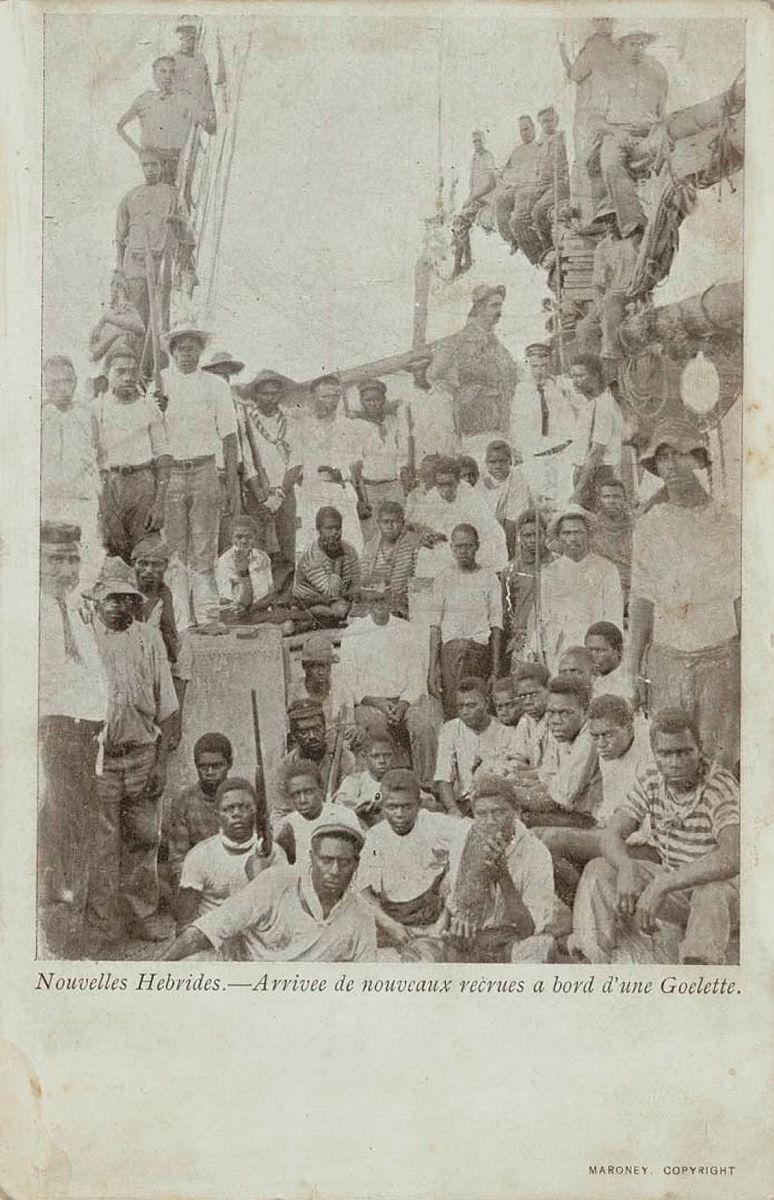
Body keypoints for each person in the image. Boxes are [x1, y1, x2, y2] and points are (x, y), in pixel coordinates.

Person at [572, 708, 740, 965]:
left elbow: (732, 856)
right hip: (675, 886)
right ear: (654, 753)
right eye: (665, 754)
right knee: (599, 869)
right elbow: (612, 834)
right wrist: (626, 866)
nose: (675, 762)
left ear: (700, 748)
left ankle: (700, 976)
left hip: (722, 896)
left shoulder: (719, 785)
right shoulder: (652, 778)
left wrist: (663, 884)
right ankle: (597, 960)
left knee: (711, 893)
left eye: (684, 752)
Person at [623, 419, 741, 770]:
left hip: (718, 658)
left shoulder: (727, 523)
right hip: (667, 659)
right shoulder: (649, 524)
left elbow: (741, 600)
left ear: (699, 459)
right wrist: (633, 670)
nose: (671, 464)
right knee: (671, 759)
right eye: (663, 457)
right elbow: (641, 600)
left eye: (680, 454)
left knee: (718, 763)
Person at [85, 557, 178, 952]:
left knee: (143, 839)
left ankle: (141, 916)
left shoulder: (149, 638)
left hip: (142, 752)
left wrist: (160, 761)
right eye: (110, 598)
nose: (118, 606)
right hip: (101, 756)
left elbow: (167, 707)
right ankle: (104, 925)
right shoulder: (86, 638)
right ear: (96, 602)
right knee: (102, 843)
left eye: (126, 598)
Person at [164, 819, 377, 962]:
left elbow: (365, 980)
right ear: (312, 858)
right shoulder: (276, 882)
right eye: (326, 860)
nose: (335, 870)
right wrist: (152, 971)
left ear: (356, 864)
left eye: (345, 862)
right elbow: (210, 928)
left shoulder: (362, 915)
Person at [38, 521, 107, 957]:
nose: (65, 568)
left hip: (84, 738)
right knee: (52, 834)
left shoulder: (76, 610)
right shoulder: (28, 610)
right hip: (51, 735)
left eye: (72, 558)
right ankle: (50, 941)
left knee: (78, 834)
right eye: (55, 559)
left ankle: (70, 932)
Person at [416, 774, 558, 963]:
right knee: (419, 953)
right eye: (482, 814)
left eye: (498, 812)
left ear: (516, 812)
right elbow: (457, 906)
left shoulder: (535, 852)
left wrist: (502, 877)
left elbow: (528, 929)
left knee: (539, 948)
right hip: (469, 940)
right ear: (474, 815)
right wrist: (451, 932)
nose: (490, 820)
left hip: (510, 942)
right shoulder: (464, 837)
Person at [157, 322, 240, 629]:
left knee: (204, 549)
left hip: (205, 470)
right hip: (171, 474)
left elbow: (230, 437)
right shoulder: (158, 385)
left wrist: (230, 485)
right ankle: (180, 621)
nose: (187, 354)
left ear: (200, 351)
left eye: (192, 348)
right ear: (172, 351)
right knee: (175, 552)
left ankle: (207, 617)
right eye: (181, 348)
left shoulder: (216, 385)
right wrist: (156, 408)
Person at [536, 694, 653, 907]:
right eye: (595, 736)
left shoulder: (649, 753)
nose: (600, 744)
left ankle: (580, 903)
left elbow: (647, 827)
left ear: (629, 727)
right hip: (612, 831)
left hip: (642, 843)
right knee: (535, 835)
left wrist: (610, 834)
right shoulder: (609, 749)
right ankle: (581, 900)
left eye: (607, 735)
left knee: (550, 841)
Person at [333, 587, 441, 787]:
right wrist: (378, 703)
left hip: (406, 701)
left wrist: (404, 703)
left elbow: (416, 675)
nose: (379, 605)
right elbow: (349, 681)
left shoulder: (407, 630)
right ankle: (379, 789)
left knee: (424, 727)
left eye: (383, 600)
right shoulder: (353, 634)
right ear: (367, 603)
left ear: (391, 601)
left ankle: (426, 786)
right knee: (374, 729)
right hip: (371, 703)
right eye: (374, 600)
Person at [358, 769, 462, 953]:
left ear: (419, 804)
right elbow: (363, 892)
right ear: (382, 806)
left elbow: (470, 836)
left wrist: (453, 873)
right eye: (392, 807)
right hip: (396, 919)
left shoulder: (434, 824)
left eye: (407, 806)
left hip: (436, 915)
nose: (399, 814)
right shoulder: (376, 836)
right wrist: (391, 926)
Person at [174, 778, 281, 943]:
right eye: (229, 808)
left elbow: (284, 912)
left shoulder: (274, 853)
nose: (237, 813)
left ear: (256, 811)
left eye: (245, 807)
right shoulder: (200, 856)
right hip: (216, 944)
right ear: (217, 816)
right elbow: (184, 923)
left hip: (261, 942)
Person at [586, 29, 669, 239]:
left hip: (651, 132)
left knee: (674, 161)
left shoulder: (657, 71)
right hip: (617, 133)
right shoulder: (606, 73)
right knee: (611, 163)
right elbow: (594, 118)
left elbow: (662, 112)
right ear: (620, 45)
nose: (638, 49)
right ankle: (634, 225)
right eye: (633, 43)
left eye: (642, 44)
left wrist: (657, 132)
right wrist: (616, 131)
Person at [92, 347, 171, 561]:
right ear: (107, 373)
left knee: (146, 555)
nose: (128, 377)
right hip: (111, 485)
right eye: (120, 371)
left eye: (133, 371)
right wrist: (106, 506)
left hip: (143, 484)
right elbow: (92, 461)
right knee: (111, 552)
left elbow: (163, 455)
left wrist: (159, 503)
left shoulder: (149, 406)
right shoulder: (96, 408)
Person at [425, 285, 520, 445]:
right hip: (471, 429)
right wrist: (464, 393)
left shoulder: (499, 348)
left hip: (501, 428)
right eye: (494, 305)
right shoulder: (457, 343)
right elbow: (433, 377)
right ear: (479, 308)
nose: (499, 311)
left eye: (500, 305)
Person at [534, 505, 624, 670]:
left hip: (594, 652)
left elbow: (613, 618)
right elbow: (540, 619)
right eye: (567, 533)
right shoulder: (548, 573)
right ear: (559, 537)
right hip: (559, 653)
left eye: (578, 532)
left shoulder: (606, 570)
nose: (573, 538)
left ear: (588, 535)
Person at [234, 369, 298, 596]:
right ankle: (260, 598)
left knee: (286, 546)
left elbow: (296, 461)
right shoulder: (247, 420)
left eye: (274, 393)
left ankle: (284, 598)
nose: (270, 398)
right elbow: (247, 459)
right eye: (264, 393)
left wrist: (279, 495)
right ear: (255, 394)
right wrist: (261, 496)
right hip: (257, 493)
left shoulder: (290, 419)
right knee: (258, 550)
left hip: (284, 493)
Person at [428, 524, 503, 718]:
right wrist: (433, 668)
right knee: (455, 710)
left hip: (478, 653)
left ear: (477, 546)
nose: (463, 551)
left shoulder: (489, 578)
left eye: (468, 545)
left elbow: (496, 626)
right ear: (451, 547)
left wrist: (495, 672)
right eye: (459, 546)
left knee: (477, 708)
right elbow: (435, 627)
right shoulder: (443, 579)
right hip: (450, 655)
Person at [114, 149, 192, 336]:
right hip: (135, 263)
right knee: (136, 314)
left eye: (153, 165)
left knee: (160, 317)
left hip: (161, 262)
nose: (149, 170)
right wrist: (119, 268)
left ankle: (158, 357)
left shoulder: (172, 194)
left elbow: (186, 229)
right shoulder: (131, 196)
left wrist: (176, 222)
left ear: (161, 167)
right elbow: (119, 236)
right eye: (145, 165)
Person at [511, 675, 600, 829]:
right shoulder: (562, 732)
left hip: (590, 820)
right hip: (567, 812)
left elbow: (552, 800)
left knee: (516, 820)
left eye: (565, 713)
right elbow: (545, 781)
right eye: (551, 713)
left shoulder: (589, 737)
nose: (555, 720)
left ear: (586, 712)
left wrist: (504, 791)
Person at [40, 355, 101, 580]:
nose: (61, 388)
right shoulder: (39, 415)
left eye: (67, 381)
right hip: (49, 501)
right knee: (51, 556)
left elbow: (98, 456)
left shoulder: (86, 414)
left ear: (75, 381)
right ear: (45, 384)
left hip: (81, 501)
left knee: (85, 557)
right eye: (54, 382)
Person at [132, 535, 191, 749]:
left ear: (165, 567)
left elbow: (175, 652)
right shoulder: (124, 596)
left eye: (156, 565)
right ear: (134, 566)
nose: (149, 570)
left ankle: (172, 724)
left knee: (184, 654)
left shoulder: (165, 596)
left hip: (157, 673)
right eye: (143, 564)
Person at [295, 375, 364, 554]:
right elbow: (295, 466)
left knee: (349, 546)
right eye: (325, 396)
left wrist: (340, 474)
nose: (331, 401)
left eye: (335, 396)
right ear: (313, 398)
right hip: (313, 495)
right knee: (312, 549)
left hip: (341, 492)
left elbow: (356, 464)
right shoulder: (302, 428)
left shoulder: (349, 427)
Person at [433, 677, 521, 815]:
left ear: (486, 703)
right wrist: (452, 809)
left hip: (493, 803)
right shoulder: (450, 729)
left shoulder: (504, 730)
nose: (465, 712)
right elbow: (443, 776)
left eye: (471, 705)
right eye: (460, 706)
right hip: (461, 804)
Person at [410, 456, 508, 579]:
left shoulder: (472, 498)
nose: (445, 490)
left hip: (470, 550)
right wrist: (424, 533)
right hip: (442, 550)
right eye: (441, 484)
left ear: (458, 481)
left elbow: (492, 533)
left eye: (449, 484)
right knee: (425, 557)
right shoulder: (432, 496)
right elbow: (414, 524)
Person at [163, 732, 234, 892]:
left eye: (216, 766)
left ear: (229, 764)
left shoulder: (240, 796)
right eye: (203, 767)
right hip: (199, 877)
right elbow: (178, 856)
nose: (209, 772)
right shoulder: (184, 799)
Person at [574, 206, 641, 367]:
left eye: (613, 219)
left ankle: (611, 359)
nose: (609, 224)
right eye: (605, 221)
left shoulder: (637, 241)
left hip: (634, 293)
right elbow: (597, 285)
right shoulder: (603, 247)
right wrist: (598, 307)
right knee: (584, 327)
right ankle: (592, 369)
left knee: (611, 301)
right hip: (612, 298)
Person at [510, 343, 575, 507]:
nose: (540, 371)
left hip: (561, 456)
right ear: (528, 365)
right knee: (536, 506)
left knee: (562, 504)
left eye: (544, 366)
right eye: (535, 366)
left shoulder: (561, 387)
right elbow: (514, 426)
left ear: (550, 364)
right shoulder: (519, 391)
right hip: (534, 458)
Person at [116, 56, 195, 185]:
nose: (167, 76)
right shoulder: (145, 99)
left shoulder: (183, 97)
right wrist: (139, 151)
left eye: (172, 71)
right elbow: (120, 126)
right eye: (163, 71)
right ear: (154, 74)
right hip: (153, 160)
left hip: (177, 159)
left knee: (175, 197)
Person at [347, 379, 406, 540]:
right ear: (361, 402)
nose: (374, 404)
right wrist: (361, 499)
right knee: (372, 538)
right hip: (370, 490)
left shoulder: (393, 421)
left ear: (384, 400)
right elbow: (355, 467)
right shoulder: (355, 425)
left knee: (398, 535)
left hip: (394, 487)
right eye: (368, 400)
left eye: (378, 399)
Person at [277, 699, 356, 819]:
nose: (312, 736)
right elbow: (281, 809)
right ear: (293, 736)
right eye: (304, 732)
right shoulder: (286, 766)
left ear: (325, 728)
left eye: (317, 729)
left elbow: (350, 801)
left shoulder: (343, 758)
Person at [511, 105, 570, 265]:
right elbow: (538, 168)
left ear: (556, 120)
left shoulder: (563, 138)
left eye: (550, 121)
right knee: (517, 220)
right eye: (543, 122)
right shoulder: (541, 143)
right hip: (542, 186)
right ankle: (537, 258)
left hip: (559, 185)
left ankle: (550, 249)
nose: (547, 124)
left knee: (538, 211)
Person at [564, 354, 624, 506]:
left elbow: (596, 452)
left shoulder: (603, 406)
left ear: (595, 376)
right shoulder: (590, 404)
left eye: (581, 376)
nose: (575, 381)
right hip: (587, 474)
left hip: (599, 476)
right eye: (573, 376)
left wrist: (579, 490)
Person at [559, 17, 619, 164]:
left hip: (591, 110)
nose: (604, 23)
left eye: (606, 20)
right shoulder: (618, 46)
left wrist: (563, 57)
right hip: (612, 110)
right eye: (600, 20)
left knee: (589, 156)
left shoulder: (593, 45)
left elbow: (576, 75)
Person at [292, 506, 361, 626]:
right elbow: (331, 593)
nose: (335, 533)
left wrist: (355, 600)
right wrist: (337, 560)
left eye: (338, 528)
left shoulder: (349, 549)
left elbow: (356, 581)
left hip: (338, 598)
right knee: (339, 610)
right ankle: (307, 617)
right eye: (329, 528)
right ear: (319, 530)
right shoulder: (311, 556)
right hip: (311, 600)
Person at [274, 761, 350, 865]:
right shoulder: (288, 824)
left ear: (321, 788)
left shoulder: (342, 816)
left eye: (308, 792)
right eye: (296, 794)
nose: (302, 800)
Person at [501, 508, 552, 664]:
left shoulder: (556, 564)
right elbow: (507, 609)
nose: (532, 540)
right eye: (527, 535)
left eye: (537, 535)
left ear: (545, 535)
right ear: (519, 538)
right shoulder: (511, 570)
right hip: (522, 638)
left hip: (550, 635)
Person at [359, 500, 419, 619]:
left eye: (395, 522)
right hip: (374, 597)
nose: (390, 526)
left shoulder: (412, 545)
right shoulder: (370, 547)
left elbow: (402, 582)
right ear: (378, 523)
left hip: (401, 600)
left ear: (402, 523)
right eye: (386, 522)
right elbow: (363, 577)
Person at [451, 129, 497, 277]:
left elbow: (491, 183)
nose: (476, 144)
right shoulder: (474, 157)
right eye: (474, 141)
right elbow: (473, 183)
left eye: (479, 141)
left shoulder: (488, 156)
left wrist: (472, 198)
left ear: (484, 141)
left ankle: (462, 264)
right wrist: (468, 200)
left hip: (486, 199)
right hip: (476, 199)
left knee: (459, 222)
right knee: (458, 224)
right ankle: (461, 263)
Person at [493, 115, 540, 250]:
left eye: (526, 129)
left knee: (519, 210)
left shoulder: (540, 147)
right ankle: (511, 238)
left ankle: (524, 240)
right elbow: (506, 172)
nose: (524, 133)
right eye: (521, 131)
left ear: (533, 128)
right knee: (500, 200)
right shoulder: (517, 151)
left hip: (532, 187)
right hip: (518, 187)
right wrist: (503, 178)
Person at [88, 270, 146, 379]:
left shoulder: (129, 310)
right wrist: (115, 335)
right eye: (114, 284)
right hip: (103, 375)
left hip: (128, 372)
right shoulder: (97, 316)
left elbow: (140, 329)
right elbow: (94, 355)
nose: (118, 289)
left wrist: (106, 319)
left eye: (121, 285)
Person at [334, 732, 396, 827]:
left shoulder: (402, 780)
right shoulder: (354, 781)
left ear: (394, 756)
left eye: (387, 755)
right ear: (364, 756)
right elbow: (341, 805)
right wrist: (361, 808)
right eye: (375, 756)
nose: (382, 761)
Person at [216, 514, 274, 616]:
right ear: (231, 538)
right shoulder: (224, 561)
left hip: (260, 610)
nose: (244, 541)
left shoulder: (262, 557)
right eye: (239, 537)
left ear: (255, 537)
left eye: (249, 537)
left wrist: (257, 607)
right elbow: (227, 600)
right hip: (237, 614)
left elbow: (270, 593)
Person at [480, 440, 530, 556]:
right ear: (487, 463)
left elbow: (512, 523)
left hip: (509, 535)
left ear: (510, 461)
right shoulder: (480, 479)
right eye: (493, 462)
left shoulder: (517, 480)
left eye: (502, 461)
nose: (498, 466)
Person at [590, 473, 634, 604]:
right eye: (606, 496)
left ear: (624, 499)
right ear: (599, 500)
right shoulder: (591, 528)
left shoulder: (636, 527)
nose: (611, 501)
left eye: (616, 496)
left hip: (631, 590)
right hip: (599, 591)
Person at [172, 16, 216, 134]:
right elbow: (179, 93)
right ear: (180, 38)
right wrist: (199, 113)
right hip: (188, 116)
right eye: (184, 37)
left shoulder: (200, 58)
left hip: (206, 114)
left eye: (191, 37)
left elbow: (207, 87)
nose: (188, 40)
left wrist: (209, 112)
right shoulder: (175, 61)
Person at [585, 620, 634, 701]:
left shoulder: (626, 684)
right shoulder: (589, 678)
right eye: (589, 650)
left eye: (599, 650)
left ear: (617, 650)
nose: (593, 656)